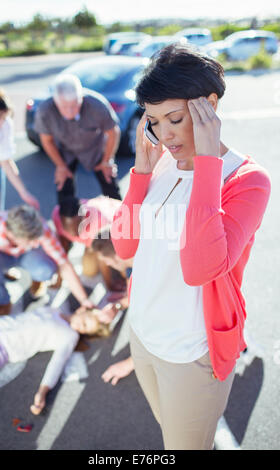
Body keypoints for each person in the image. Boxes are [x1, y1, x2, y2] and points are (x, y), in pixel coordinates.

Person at [110, 44, 271, 450]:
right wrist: (141, 175)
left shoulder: (247, 181)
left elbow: (200, 268)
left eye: (175, 119)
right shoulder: (160, 160)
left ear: (208, 105)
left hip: (191, 351)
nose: (163, 134)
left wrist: (206, 164)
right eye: (152, 119)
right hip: (143, 335)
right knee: (176, 431)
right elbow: (124, 246)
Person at [0, 305, 109, 415]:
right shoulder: (55, 310)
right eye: (86, 322)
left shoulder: (70, 335)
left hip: (2, 349)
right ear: (82, 310)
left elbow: (57, 363)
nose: (82, 327)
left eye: (86, 330)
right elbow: (24, 318)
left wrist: (42, 392)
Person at [0, 204, 93, 316]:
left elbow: (64, 264)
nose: (36, 243)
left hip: (24, 254)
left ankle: (37, 279)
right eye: (31, 241)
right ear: (12, 235)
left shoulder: (39, 228)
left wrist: (84, 300)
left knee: (46, 269)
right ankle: (4, 301)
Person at [34, 74, 122, 205]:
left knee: (110, 183)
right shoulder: (45, 110)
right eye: (64, 106)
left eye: (75, 105)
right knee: (63, 186)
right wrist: (60, 166)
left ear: (81, 98)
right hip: (66, 149)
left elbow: (113, 132)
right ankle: (68, 221)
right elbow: (47, 141)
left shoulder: (96, 104)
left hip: (96, 148)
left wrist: (107, 160)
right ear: (56, 101)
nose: (70, 112)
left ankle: (121, 220)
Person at [91, 226, 135, 386]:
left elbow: (161, 332)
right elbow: (132, 295)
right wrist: (116, 307)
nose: (107, 264)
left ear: (117, 255)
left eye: (106, 260)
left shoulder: (143, 282)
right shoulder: (134, 264)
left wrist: (130, 363)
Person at [51, 195, 124, 290]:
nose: (73, 234)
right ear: (60, 219)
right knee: (89, 271)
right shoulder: (56, 214)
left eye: (77, 228)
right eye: (67, 228)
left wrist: (110, 286)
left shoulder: (98, 222)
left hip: (118, 233)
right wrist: (59, 278)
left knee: (119, 261)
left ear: (84, 217)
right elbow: (62, 245)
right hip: (94, 239)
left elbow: (102, 255)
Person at [0, 88, 39, 213]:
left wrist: (24, 192)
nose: (1, 123)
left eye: (4, 118)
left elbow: (6, 161)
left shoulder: (5, 125)